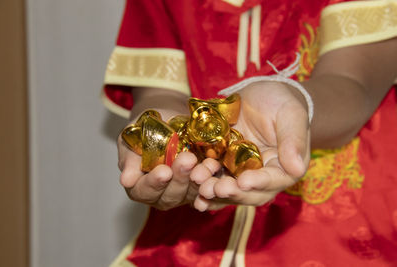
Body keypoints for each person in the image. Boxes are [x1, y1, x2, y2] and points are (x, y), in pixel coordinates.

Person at [101, 0, 397, 266]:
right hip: (188, 235)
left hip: (345, 237)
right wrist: (153, 132)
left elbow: (353, 84)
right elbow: (159, 94)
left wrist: (295, 102)